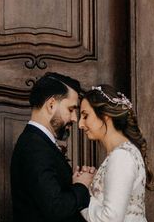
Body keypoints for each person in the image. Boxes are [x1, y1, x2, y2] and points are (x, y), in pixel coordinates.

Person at [11, 72, 94, 222]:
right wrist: (81, 186)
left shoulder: (38, 142)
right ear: (51, 105)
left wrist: (73, 184)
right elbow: (56, 208)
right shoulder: (34, 147)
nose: (75, 118)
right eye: (71, 109)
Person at [77, 85, 154, 222]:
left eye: (85, 116)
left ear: (105, 116)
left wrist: (81, 194)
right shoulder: (122, 153)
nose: (80, 124)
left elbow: (110, 218)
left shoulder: (122, 157)